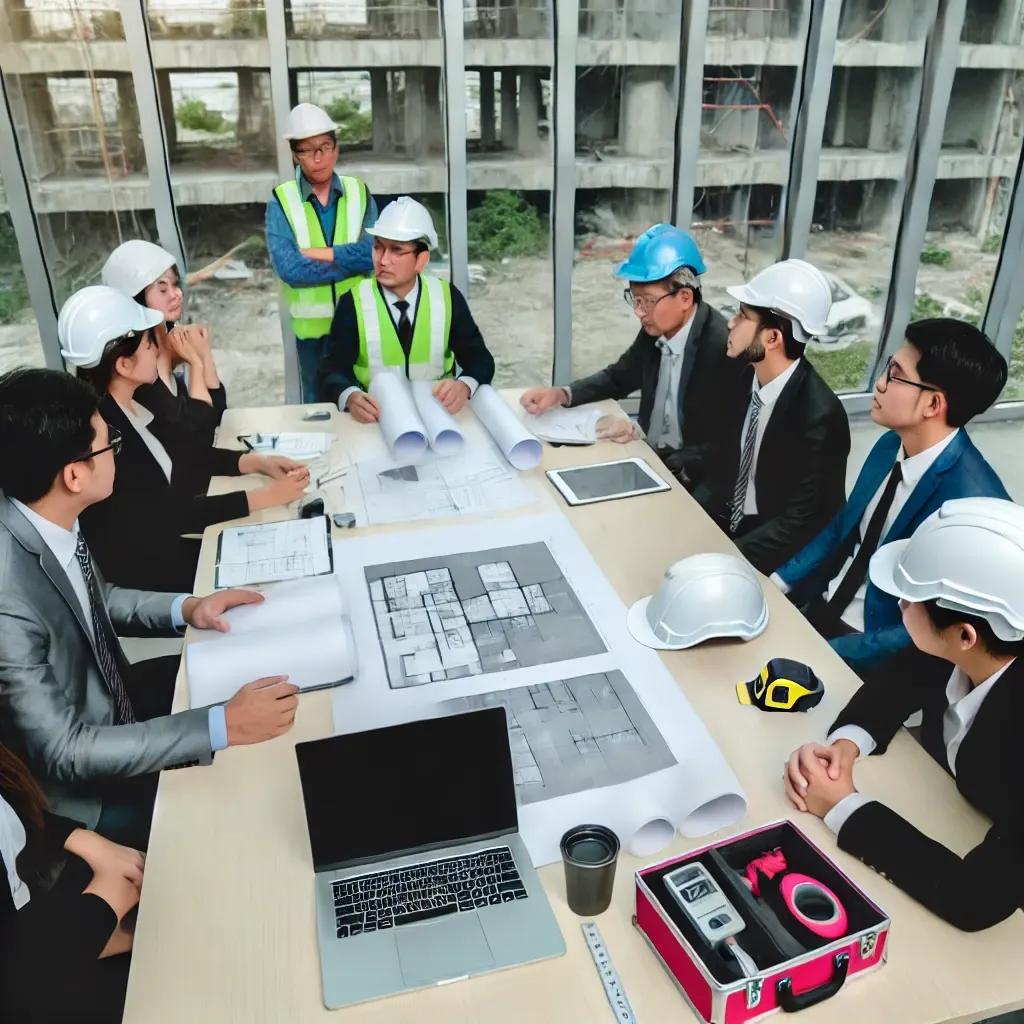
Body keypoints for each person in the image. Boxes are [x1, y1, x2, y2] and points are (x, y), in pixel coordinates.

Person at [0, 366, 301, 852]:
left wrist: (189, 608)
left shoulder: (42, 513)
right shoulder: (7, 598)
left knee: (266, 698)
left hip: (113, 701)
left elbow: (98, 597)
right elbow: (66, 752)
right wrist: (221, 725)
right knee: (245, 821)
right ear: (74, 475)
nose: (116, 449)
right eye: (107, 443)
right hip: (81, 794)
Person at [784, 497, 1024, 931]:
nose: (899, 607)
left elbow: (976, 897)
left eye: (912, 600)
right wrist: (848, 742)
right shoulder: (978, 643)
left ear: (965, 635)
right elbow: (900, 680)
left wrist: (843, 807)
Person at [771, 318, 1009, 671]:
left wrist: (830, 652)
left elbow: (931, 631)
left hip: (875, 648)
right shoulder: (889, 445)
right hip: (824, 605)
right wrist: (776, 583)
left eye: (895, 375)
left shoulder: (972, 506)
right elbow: (843, 527)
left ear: (932, 405)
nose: (879, 384)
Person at [57, 286, 309, 594]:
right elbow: (174, 514)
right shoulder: (109, 435)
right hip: (149, 574)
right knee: (281, 577)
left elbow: (187, 455)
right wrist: (265, 497)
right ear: (123, 365)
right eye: (151, 343)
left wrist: (254, 462)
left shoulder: (134, 401)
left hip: (166, 546)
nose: (158, 350)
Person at [520, 224, 746, 489]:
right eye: (634, 300)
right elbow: (619, 377)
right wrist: (561, 394)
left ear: (684, 297)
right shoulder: (655, 332)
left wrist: (669, 459)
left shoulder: (723, 347)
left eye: (648, 301)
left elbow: (733, 440)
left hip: (698, 481)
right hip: (648, 458)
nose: (639, 312)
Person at [693, 260, 850, 575]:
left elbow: (799, 521)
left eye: (742, 316)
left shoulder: (820, 417)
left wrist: (725, 558)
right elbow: (725, 458)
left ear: (773, 339)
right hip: (733, 526)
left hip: (782, 557)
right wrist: (690, 518)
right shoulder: (743, 376)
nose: (730, 323)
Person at [0, 741, 141, 1022]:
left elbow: (9, 815)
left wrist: (78, 838)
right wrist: (106, 904)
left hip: (46, 934)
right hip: (33, 981)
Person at [319, 196, 495, 420]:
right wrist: (350, 396)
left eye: (396, 250)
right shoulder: (354, 302)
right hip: (378, 418)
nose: (383, 261)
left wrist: (464, 385)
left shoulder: (447, 297)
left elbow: (480, 359)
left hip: (439, 415)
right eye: (378, 248)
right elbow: (331, 369)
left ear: (421, 260)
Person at [266, 102, 377, 402]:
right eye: (306, 151)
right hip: (312, 337)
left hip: (360, 326)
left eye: (324, 147)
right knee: (319, 413)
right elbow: (290, 269)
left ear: (336, 149)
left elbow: (374, 254)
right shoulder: (281, 200)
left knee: (365, 406)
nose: (317, 159)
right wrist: (351, 261)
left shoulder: (359, 192)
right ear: (294, 155)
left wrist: (322, 253)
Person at [103, 238, 226, 444]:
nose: (176, 294)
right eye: (162, 289)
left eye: (176, 284)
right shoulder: (136, 364)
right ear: (136, 299)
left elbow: (219, 412)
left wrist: (203, 353)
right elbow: (196, 434)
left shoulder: (172, 341)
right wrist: (196, 364)